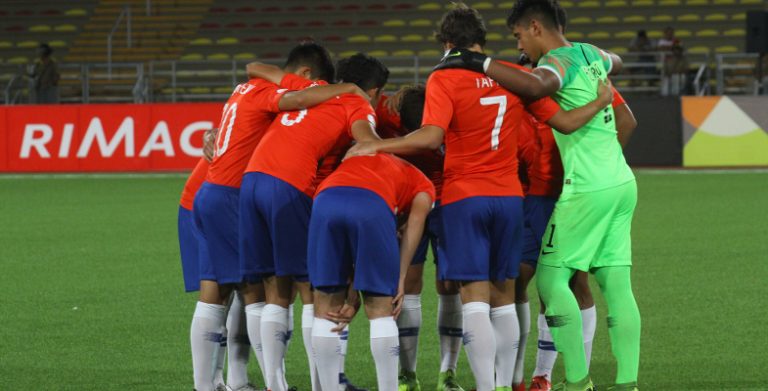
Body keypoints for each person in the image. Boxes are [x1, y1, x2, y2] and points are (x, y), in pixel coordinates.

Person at [345, 5, 613, 390]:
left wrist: (379, 146)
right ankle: (507, 383)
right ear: (480, 42)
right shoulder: (516, 77)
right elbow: (564, 122)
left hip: (464, 197)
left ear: (448, 44)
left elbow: (432, 137)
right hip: (508, 199)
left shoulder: (445, 78)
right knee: (505, 296)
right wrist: (601, 100)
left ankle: (487, 386)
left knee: (474, 298)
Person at [435, 1, 641, 389]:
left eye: (518, 36)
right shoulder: (590, 53)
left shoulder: (559, 63)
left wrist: (477, 62)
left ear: (534, 27)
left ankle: (577, 382)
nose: (519, 46)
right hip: (621, 183)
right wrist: (603, 129)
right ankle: (627, 382)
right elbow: (621, 76)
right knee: (616, 284)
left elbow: (538, 84)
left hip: (585, 188)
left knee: (548, 281)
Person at [190, 42, 365, 391]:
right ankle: (271, 384)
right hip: (232, 194)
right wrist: (344, 89)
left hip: (209, 191)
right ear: (305, 76)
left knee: (225, 288)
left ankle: (235, 382)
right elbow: (297, 98)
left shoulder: (246, 89)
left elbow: (254, 65)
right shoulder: (272, 92)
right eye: (318, 85)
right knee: (261, 288)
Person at [238, 53, 386, 391]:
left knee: (274, 287)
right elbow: (368, 142)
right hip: (289, 185)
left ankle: (276, 385)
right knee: (312, 289)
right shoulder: (356, 102)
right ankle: (325, 384)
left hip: (253, 180)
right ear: (373, 91)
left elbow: (256, 67)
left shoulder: (311, 87)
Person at [309, 152, 435, 391]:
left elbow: (355, 251)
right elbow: (414, 228)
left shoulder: (364, 158)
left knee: (325, 305)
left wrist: (353, 295)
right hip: (372, 204)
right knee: (381, 309)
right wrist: (399, 277)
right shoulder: (424, 186)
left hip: (324, 199)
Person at [380, 85, 465, 391]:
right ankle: (407, 375)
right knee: (410, 284)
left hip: (446, 204)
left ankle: (448, 372)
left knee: (449, 284)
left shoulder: (448, 119)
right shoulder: (386, 119)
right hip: (408, 206)